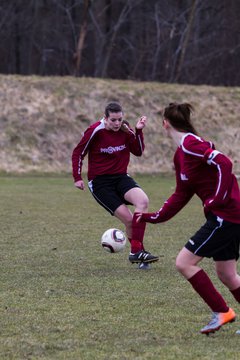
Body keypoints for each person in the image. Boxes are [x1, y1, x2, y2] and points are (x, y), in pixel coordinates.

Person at [137, 102, 240, 333]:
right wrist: (154, 217)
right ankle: (223, 312)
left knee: (184, 263)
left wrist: (218, 199)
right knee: (227, 274)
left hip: (225, 215)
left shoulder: (192, 144)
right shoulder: (180, 155)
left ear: (165, 124)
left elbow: (225, 163)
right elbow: (181, 194)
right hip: (226, 216)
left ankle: (222, 312)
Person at [72, 101, 159, 268]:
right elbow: (78, 152)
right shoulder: (95, 131)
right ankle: (138, 252)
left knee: (143, 202)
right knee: (128, 219)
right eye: (113, 120)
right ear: (105, 118)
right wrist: (77, 177)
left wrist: (138, 131)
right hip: (100, 183)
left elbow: (138, 151)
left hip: (121, 178)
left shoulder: (125, 129)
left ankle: (135, 252)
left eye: (120, 119)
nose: (117, 123)